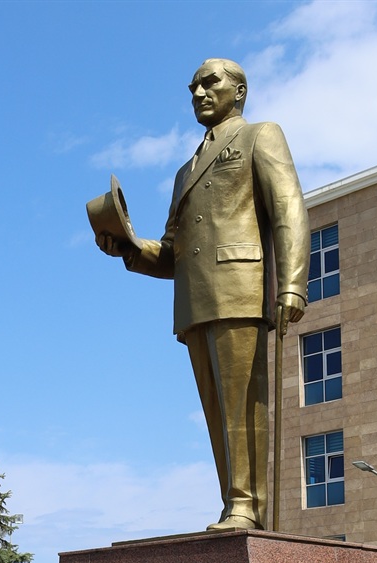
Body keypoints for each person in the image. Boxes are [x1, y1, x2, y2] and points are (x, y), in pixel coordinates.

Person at [97, 58, 309, 531]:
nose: (198, 93)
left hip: (241, 288)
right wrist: (129, 247)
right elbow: (173, 252)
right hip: (195, 301)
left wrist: (293, 283)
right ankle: (236, 503)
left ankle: (246, 505)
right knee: (218, 415)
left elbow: (289, 208)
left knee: (242, 405)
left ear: (240, 91)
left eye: (210, 83)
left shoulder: (260, 135)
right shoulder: (184, 172)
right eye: (192, 87)